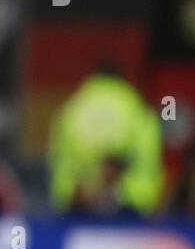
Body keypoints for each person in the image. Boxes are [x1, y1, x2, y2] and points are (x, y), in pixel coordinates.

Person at [48, 64, 163, 215]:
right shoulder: (137, 109)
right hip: (131, 206)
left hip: (78, 205)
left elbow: (57, 158)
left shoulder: (70, 110)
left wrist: (76, 189)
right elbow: (148, 155)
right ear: (122, 80)